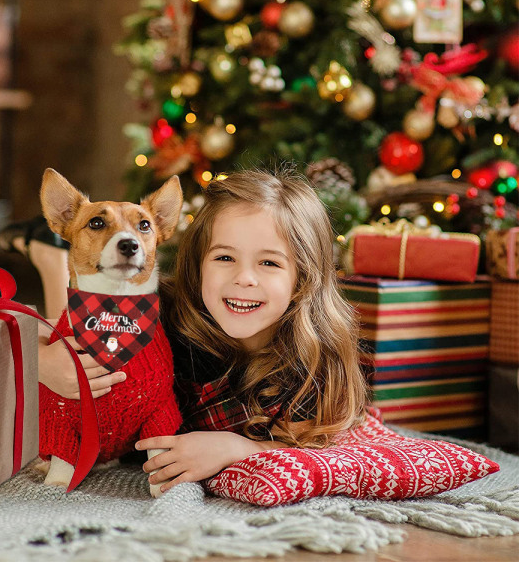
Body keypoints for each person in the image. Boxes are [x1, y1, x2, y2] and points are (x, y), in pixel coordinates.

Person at [20, 168, 367, 492]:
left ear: (302, 278)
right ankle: (51, 254)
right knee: (70, 302)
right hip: (106, 305)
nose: (244, 278)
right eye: (225, 258)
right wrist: (42, 361)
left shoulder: (313, 363)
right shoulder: (162, 309)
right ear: (198, 263)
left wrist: (237, 448)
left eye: (269, 262)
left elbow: (318, 452)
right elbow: (41, 334)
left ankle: (48, 253)